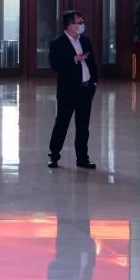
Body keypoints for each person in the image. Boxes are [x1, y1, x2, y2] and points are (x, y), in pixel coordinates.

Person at [47, 10, 98, 170]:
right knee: (62, 124)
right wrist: (74, 59)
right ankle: (54, 156)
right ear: (70, 25)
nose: (82, 25)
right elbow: (55, 66)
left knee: (83, 126)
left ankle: (82, 158)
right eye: (79, 22)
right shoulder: (57, 43)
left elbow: (92, 63)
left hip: (86, 89)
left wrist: (94, 82)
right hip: (68, 91)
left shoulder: (85, 41)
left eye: (82, 22)